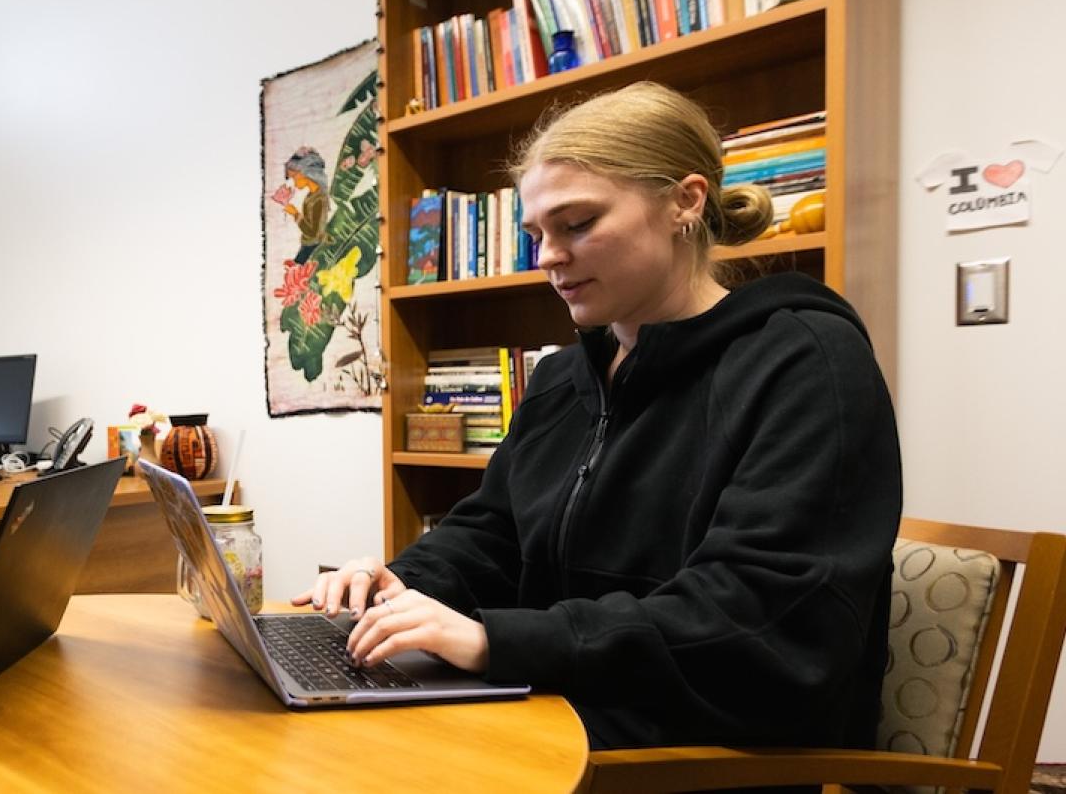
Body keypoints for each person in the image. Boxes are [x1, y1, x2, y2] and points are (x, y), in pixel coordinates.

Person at [296, 81, 901, 751]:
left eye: (577, 224)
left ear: (685, 201)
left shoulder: (805, 362)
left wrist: (495, 640)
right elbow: (493, 531)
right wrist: (404, 584)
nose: (547, 257)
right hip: (570, 701)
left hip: (713, 750)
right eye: (536, 234)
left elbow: (758, 613)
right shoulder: (566, 376)